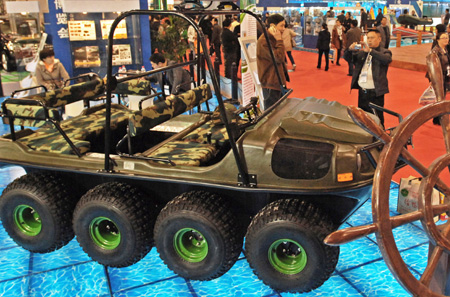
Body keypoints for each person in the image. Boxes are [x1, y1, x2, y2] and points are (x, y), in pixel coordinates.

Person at [349, 29, 392, 126]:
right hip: (362, 92)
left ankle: (381, 138)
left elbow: (387, 60)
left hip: (375, 93)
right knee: (362, 118)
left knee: (377, 119)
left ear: (379, 39)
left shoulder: (385, 52)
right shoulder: (363, 52)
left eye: (372, 38)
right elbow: (350, 60)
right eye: (368, 38)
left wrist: (371, 51)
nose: (369, 40)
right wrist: (350, 50)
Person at [257, 14, 287, 109]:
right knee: (271, 114)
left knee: (279, 111)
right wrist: (279, 40)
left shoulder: (271, 39)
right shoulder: (264, 41)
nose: (283, 29)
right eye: (281, 25)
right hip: (271, 84)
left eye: (284, 26)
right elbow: (278, 58)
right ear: (272, 26)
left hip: (276, 82)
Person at [427, 32, 450, 124]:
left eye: (447, 38)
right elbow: (430, 68)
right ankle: (436, 118)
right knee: (439, 98)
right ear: (438, 40)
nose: (446, 39)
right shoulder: (435, 52)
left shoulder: (445, 50)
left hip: (445, 77)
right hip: (438, 78)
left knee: (442, 97)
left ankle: (438, 117)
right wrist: (431, 79)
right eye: (444, 38)